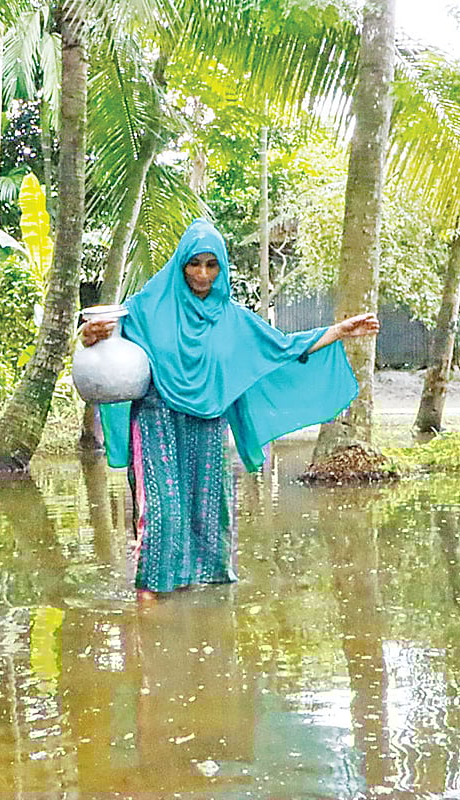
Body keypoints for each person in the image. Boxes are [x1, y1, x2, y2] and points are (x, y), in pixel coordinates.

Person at [80, 219, 379, 602]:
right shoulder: (145, 308)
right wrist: (91, 336)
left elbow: (282, 348)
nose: (202, 274)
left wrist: (339, 331)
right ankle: (150, 594)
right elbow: (105, 343)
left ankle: (195, 592)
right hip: (157, 419)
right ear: (180, 264)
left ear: (222, 268)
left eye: (211, 265)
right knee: (164, 511)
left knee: (208, 513)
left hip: (207, 423)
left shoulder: (232, 318)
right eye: (194, 264)